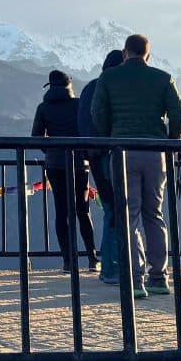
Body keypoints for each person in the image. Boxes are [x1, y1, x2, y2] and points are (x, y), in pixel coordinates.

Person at [90, 34, 181, 299]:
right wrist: (171, 141)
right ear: (148, 55)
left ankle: (135, 279)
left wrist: (111, 136)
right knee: (154, 214)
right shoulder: (163, 78)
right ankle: (159, 277)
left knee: (128, 216)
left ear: (124, 53)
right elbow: (179, 114)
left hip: (123, 152)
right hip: (155, 153)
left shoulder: (108, 78)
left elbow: (97, 113)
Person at [32, 70, 98, 273]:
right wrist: (84, 154)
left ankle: (68, 261)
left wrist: (51, 151)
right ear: (69, 85)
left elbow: (36, 137)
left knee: (62, 212)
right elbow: (87, 130)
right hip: (79, 163)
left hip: (54, 165)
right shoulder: (78, 104)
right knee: (83, 210)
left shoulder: (43, 108)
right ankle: (92, 258)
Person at [79, 50, 122, 285]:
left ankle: (110, 267)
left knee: (110, 209)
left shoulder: (89, 88)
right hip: (110, 153)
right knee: (117, 210)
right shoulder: (110, 89)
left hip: (94, 155)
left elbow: (83, 123)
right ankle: (114, 268)